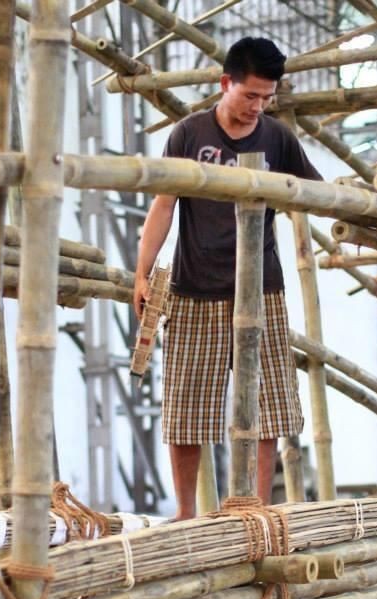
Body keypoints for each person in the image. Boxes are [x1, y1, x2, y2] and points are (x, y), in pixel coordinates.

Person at [134, 36, 321, 520]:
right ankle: (185, 511)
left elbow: (317, 195)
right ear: (225, 84)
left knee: (268, 403)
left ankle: (252, 506)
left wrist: (363, 220)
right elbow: (163, 206)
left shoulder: (277, 138)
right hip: (195, 288)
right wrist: (141, 272)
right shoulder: (189, 135)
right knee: (186, 408)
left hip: (261, 291)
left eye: (266, 97)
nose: (258, 106)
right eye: (250, 95)